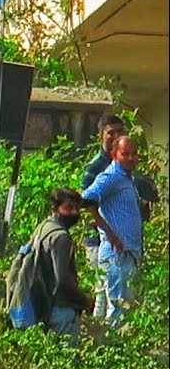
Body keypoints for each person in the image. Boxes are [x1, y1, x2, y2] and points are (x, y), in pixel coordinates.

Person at [81, 135, 144, 328]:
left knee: (107, 307)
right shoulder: (111, 176)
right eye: (125, 154)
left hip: (126, 253)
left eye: (134, 154)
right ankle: (114, 350)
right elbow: (85, 200)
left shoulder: (126, 178)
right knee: (118, 310)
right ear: (114, 154)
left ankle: (100, 349)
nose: (131, 158)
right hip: (117, 254)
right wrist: (108, 231)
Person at [80, 114, 125, 318]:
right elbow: (88, 207)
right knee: (104, 294)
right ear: (101, 136)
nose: (115, 137)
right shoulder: (94, 168)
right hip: (98, 241)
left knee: (116, 294)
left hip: (118, 241)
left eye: (120, 132)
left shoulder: (124, 165)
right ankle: (102, 343)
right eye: (110, 133)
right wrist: (108, 232)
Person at [33, 188, 93, 339]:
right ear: (56, 209)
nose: (74, 213)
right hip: (61, 309)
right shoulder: (61, 237)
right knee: (66, 356)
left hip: (44, 307)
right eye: (68, 208)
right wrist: (85, 301)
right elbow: (62, 281)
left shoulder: (44, 228)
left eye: (77, 208)